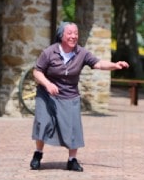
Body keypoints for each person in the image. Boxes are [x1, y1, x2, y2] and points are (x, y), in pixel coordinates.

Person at [29, 22, 129, 172]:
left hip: (70, 95)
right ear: (61, 35)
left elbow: (99, 64)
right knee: (43, 122)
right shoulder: (49, 52)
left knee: (73, 128)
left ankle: (72, 160)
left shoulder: (82, 53)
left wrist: (115, 65)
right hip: (47, 95)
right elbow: (37, 72)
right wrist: (48, 84)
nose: (73, 36)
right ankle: (38, 154)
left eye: (75, 33)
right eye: (69, 33)